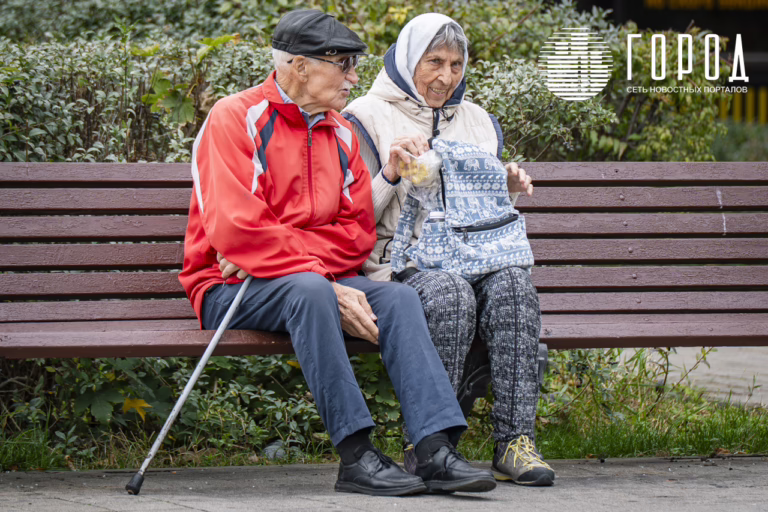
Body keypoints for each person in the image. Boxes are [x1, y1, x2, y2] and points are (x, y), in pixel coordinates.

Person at [179, 9, 496, 497]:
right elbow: (237, 227)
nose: (353, 77)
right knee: (310, 291)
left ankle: (434, 448)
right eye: (343, 64)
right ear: (300, 66)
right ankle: (356, 456)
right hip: (228, 287)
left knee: (399, 299)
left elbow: (357, 233)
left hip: (300, 276)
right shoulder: (234, 118)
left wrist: (288, 251)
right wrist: (316, 274)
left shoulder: (341, 131)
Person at [342, 13, 556, 486]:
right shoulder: (365, 117)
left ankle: (515, 441)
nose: (446, 76)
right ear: (407, 61)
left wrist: (506, 187)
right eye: (434, 62)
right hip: (401, 261)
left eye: (456, 64)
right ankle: (431, 446)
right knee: (449, 292)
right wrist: (391, 173)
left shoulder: (477, 121)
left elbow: (484, 208)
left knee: (514, 286)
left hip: (475, 255)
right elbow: (352, 216)